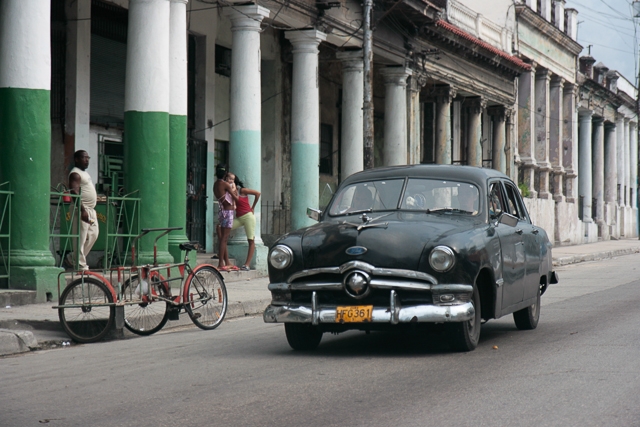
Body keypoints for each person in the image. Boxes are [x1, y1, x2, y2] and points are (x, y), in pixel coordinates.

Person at [65, 150, 99, 270]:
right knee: (81, 237)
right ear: (77, 159)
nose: (87, 160)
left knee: (94, 234)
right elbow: (74, 192)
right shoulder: (75, 174)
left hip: (90, 210)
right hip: (82, 209)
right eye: (84, 158)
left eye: (88, 158)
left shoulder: (84, 173)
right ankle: (80, 264)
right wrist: (82, 210)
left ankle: (72, 258)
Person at [226, 172, 260, 271]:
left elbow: (257, 194)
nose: (230, 183)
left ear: (234, 183)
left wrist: (252, 207)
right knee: (221, 228)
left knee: (251, 240)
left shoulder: (242, 190)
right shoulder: (231, 192)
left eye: (231, 181)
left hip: (248, 216)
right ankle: (221, 254)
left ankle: (247, 264)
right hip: (239, 218)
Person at [213, 163, 239, 271]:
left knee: (224, 238)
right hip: (228, 213)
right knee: (224, 239)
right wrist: (235, 190)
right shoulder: (225, 185)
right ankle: (220, 263)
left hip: (222, 212)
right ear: (225, 174)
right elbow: (236, 198)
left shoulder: (215, 184)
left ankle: (227, 262)